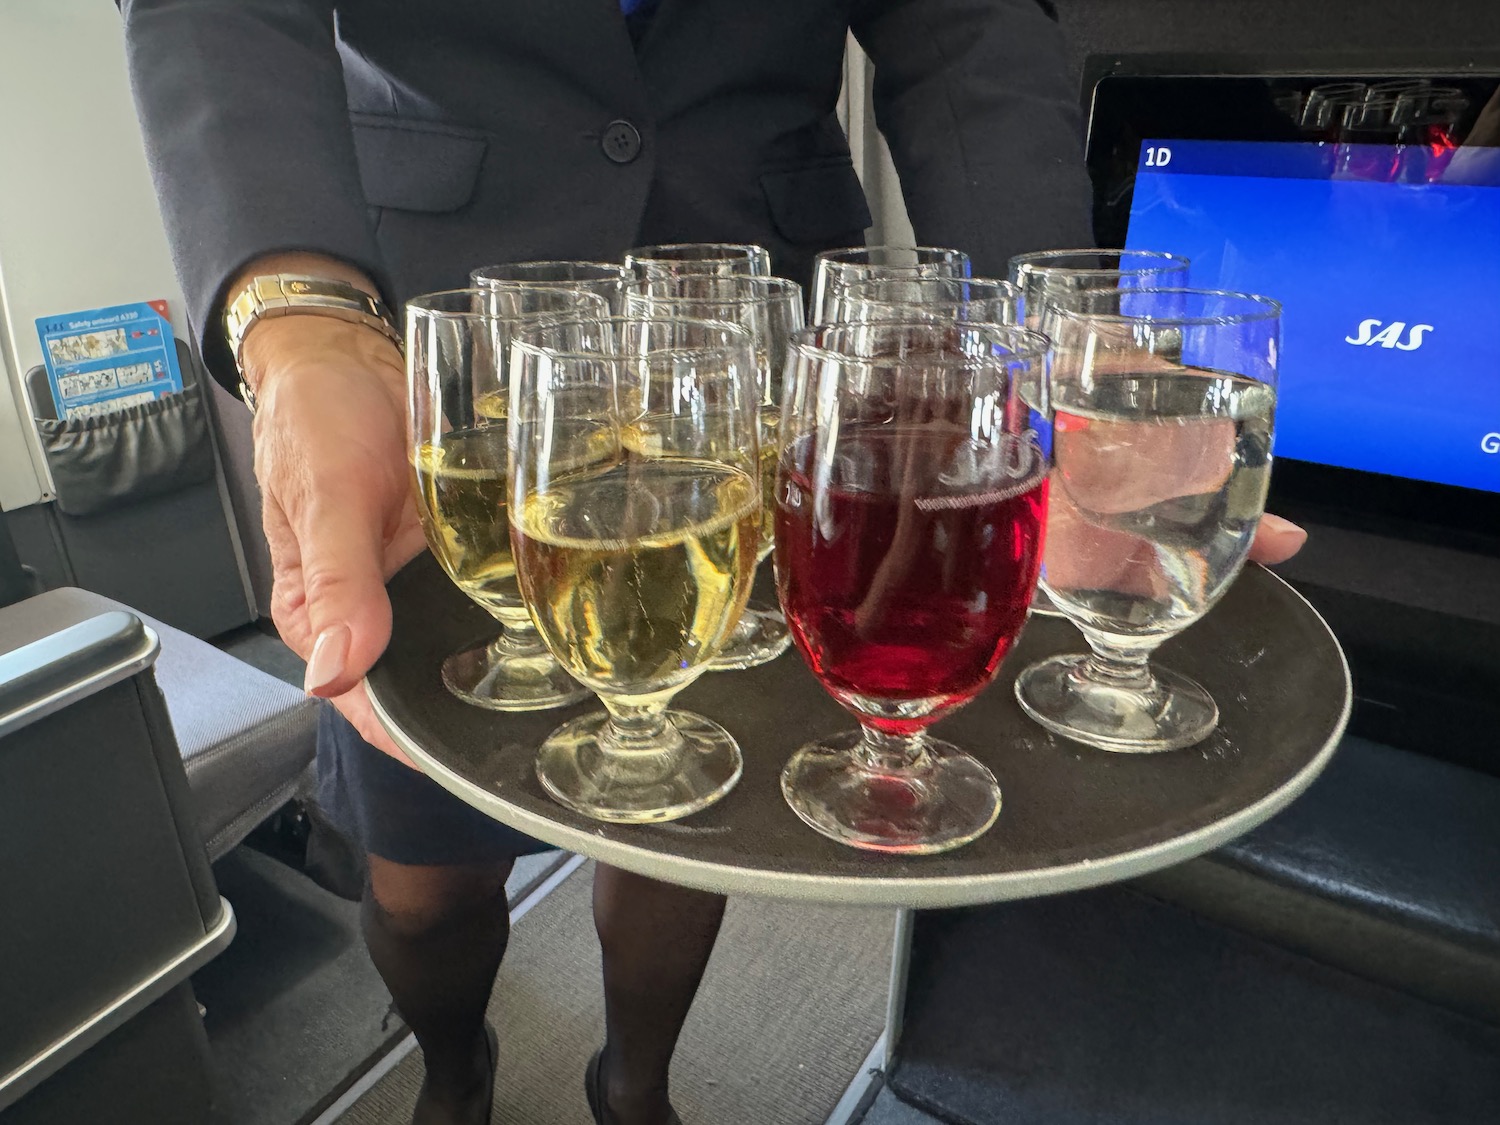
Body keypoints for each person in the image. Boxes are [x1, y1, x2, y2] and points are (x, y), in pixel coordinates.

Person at [118, 3, 1307, 1123]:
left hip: (748, 340)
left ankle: (634, 1083)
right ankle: (454, 1059)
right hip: (454, 352)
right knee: (425, 880)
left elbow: (967, 18)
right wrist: (303, 319)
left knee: (691, 804)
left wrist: (1060, 336)